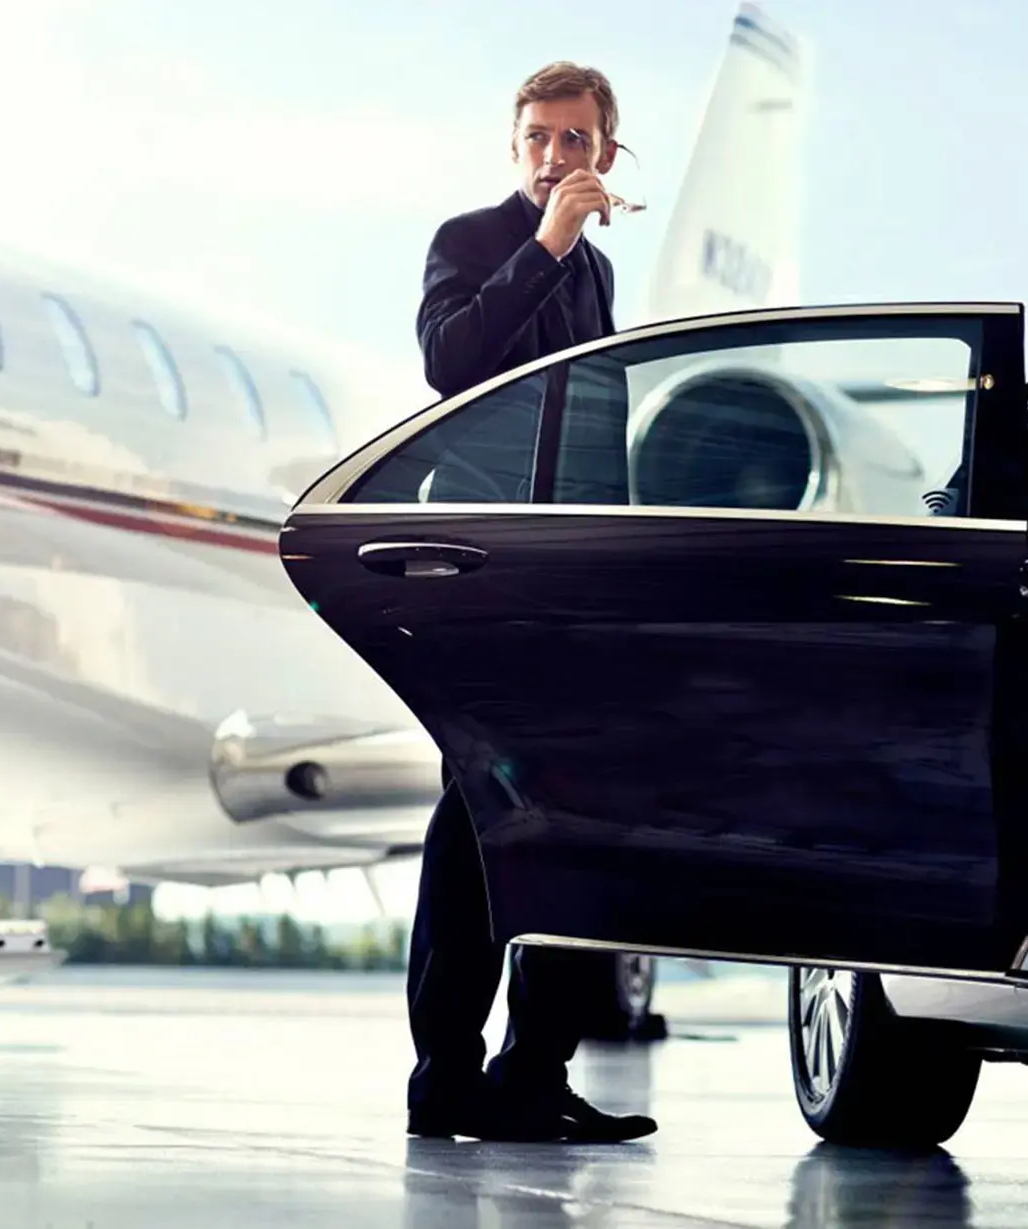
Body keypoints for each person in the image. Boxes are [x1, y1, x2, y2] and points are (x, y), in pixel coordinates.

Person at [403, 60, 658, 1145]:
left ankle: (532, 1073)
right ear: (514, 147)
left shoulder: (596, 278)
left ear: (608, 153)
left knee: (570, 815)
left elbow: (596, 431)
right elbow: (449, 364)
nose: (559, 157)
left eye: (579, 141)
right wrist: (544, 243)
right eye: (541, 138)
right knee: (474, 815)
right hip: (484, 567)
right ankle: (443, 1079)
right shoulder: (470, 241)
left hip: (574, 574)